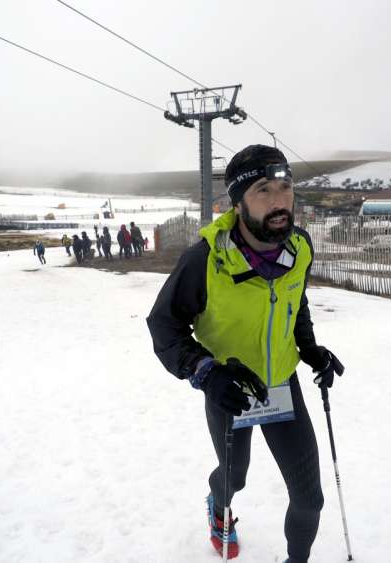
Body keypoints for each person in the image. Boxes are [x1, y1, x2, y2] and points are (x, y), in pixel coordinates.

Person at [146, 145, 345, 563]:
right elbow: (164, 326)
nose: (279, 201)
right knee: (234, 478)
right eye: (263, 190)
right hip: (229, 389)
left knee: (310, 500)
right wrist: (205, 371)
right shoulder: (205, 260)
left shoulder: (300, 246)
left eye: (285, 188)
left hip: (281, 385)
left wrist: (310, 349)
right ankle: (218, 507)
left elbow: (295, 302)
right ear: (238, 203)